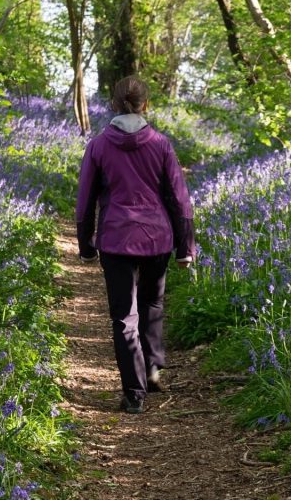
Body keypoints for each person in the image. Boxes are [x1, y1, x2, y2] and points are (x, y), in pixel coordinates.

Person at [75, 75, 195, 414]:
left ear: (113, 104)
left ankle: (134, 392)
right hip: (157, 238)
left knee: (124, 317)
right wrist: (185, 246)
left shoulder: (98, 146)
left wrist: (86, 243)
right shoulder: (160, 144)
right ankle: (153, 366)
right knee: (152, 304)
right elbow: (179, 200)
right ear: (146, 105)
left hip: (115, 240)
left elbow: (85, 200)